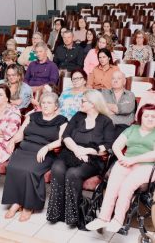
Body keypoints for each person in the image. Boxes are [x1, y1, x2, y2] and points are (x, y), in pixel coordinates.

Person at [46, 89, 115, 229]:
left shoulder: (105, 121)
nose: (80, 103)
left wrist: (87, 150)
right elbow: (66, 136)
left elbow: (108, 146)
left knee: (73, 173)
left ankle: (73, 215)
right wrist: (77, 150)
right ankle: (57, 213)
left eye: (83, 101)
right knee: (57, 168)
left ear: (93, 104)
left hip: (93, 157)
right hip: (72, 151)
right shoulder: (78, 116)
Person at [86, 103, 155, 233]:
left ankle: (118, 220)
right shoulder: (131, 129)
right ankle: (103, 218)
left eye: (153, 116)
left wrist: (132, 160)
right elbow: (117, 145)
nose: (150, 119)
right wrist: (122, 158)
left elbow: (153, 155)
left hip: (147, 166)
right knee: (112, 186)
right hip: (125, 161)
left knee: (127, 186)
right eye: (147, 116)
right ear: (141, 116)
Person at [2, 92, 67, 222]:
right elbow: (20, 134)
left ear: (56, 106)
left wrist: (47, 147)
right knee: (13, 167)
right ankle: (16, 202)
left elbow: (61, 140)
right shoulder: (32, 116)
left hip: (44, 152)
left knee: (30, 171)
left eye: (49, 103)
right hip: (25, 148)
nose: (45, 105)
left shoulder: (62, 120)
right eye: (43, 103)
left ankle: (28, 206)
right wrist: (12, 141)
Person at [101, 71, 135, 138]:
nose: (115, 81)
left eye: (119, 78)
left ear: (124, 82)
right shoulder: (104, 93)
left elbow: (125, 109)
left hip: (124, 127)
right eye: (113, 78)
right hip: (106, 125)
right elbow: (99, 107)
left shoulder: (130, 95)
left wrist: (106, 106)